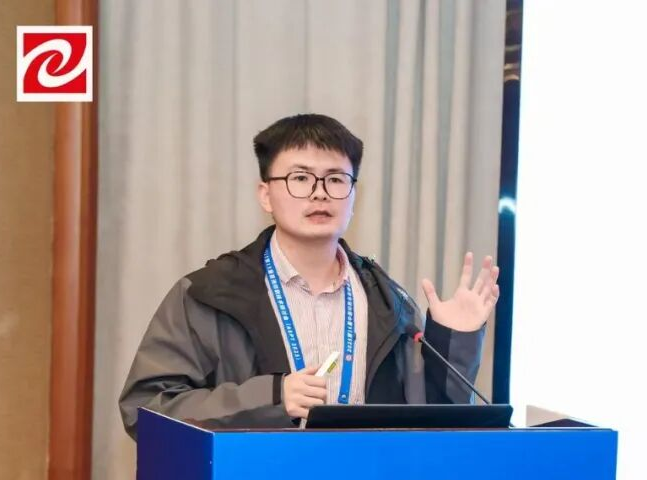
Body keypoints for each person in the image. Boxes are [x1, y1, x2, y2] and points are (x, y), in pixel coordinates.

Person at [119, 113, 499, 437]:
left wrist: (455, 341)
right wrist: (270, 398)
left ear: (353, 195)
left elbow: (435, 424)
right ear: (265, 195)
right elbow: (145, 410)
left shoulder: (389, 301)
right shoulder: (208, 294)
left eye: (336, 179)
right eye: (300, 178)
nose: (320, 194)